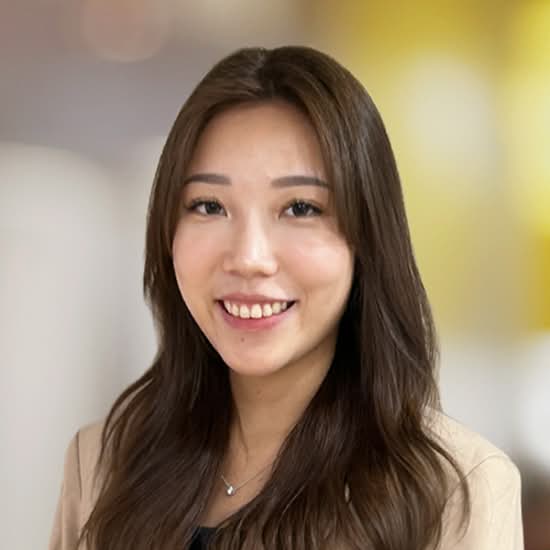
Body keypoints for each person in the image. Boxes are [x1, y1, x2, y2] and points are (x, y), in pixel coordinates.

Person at [48, 46, 523, 550]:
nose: (249, 257)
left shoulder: (455, 491)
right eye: (208, 206)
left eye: (300, 208)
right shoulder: (101, 464)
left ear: (366, 239)